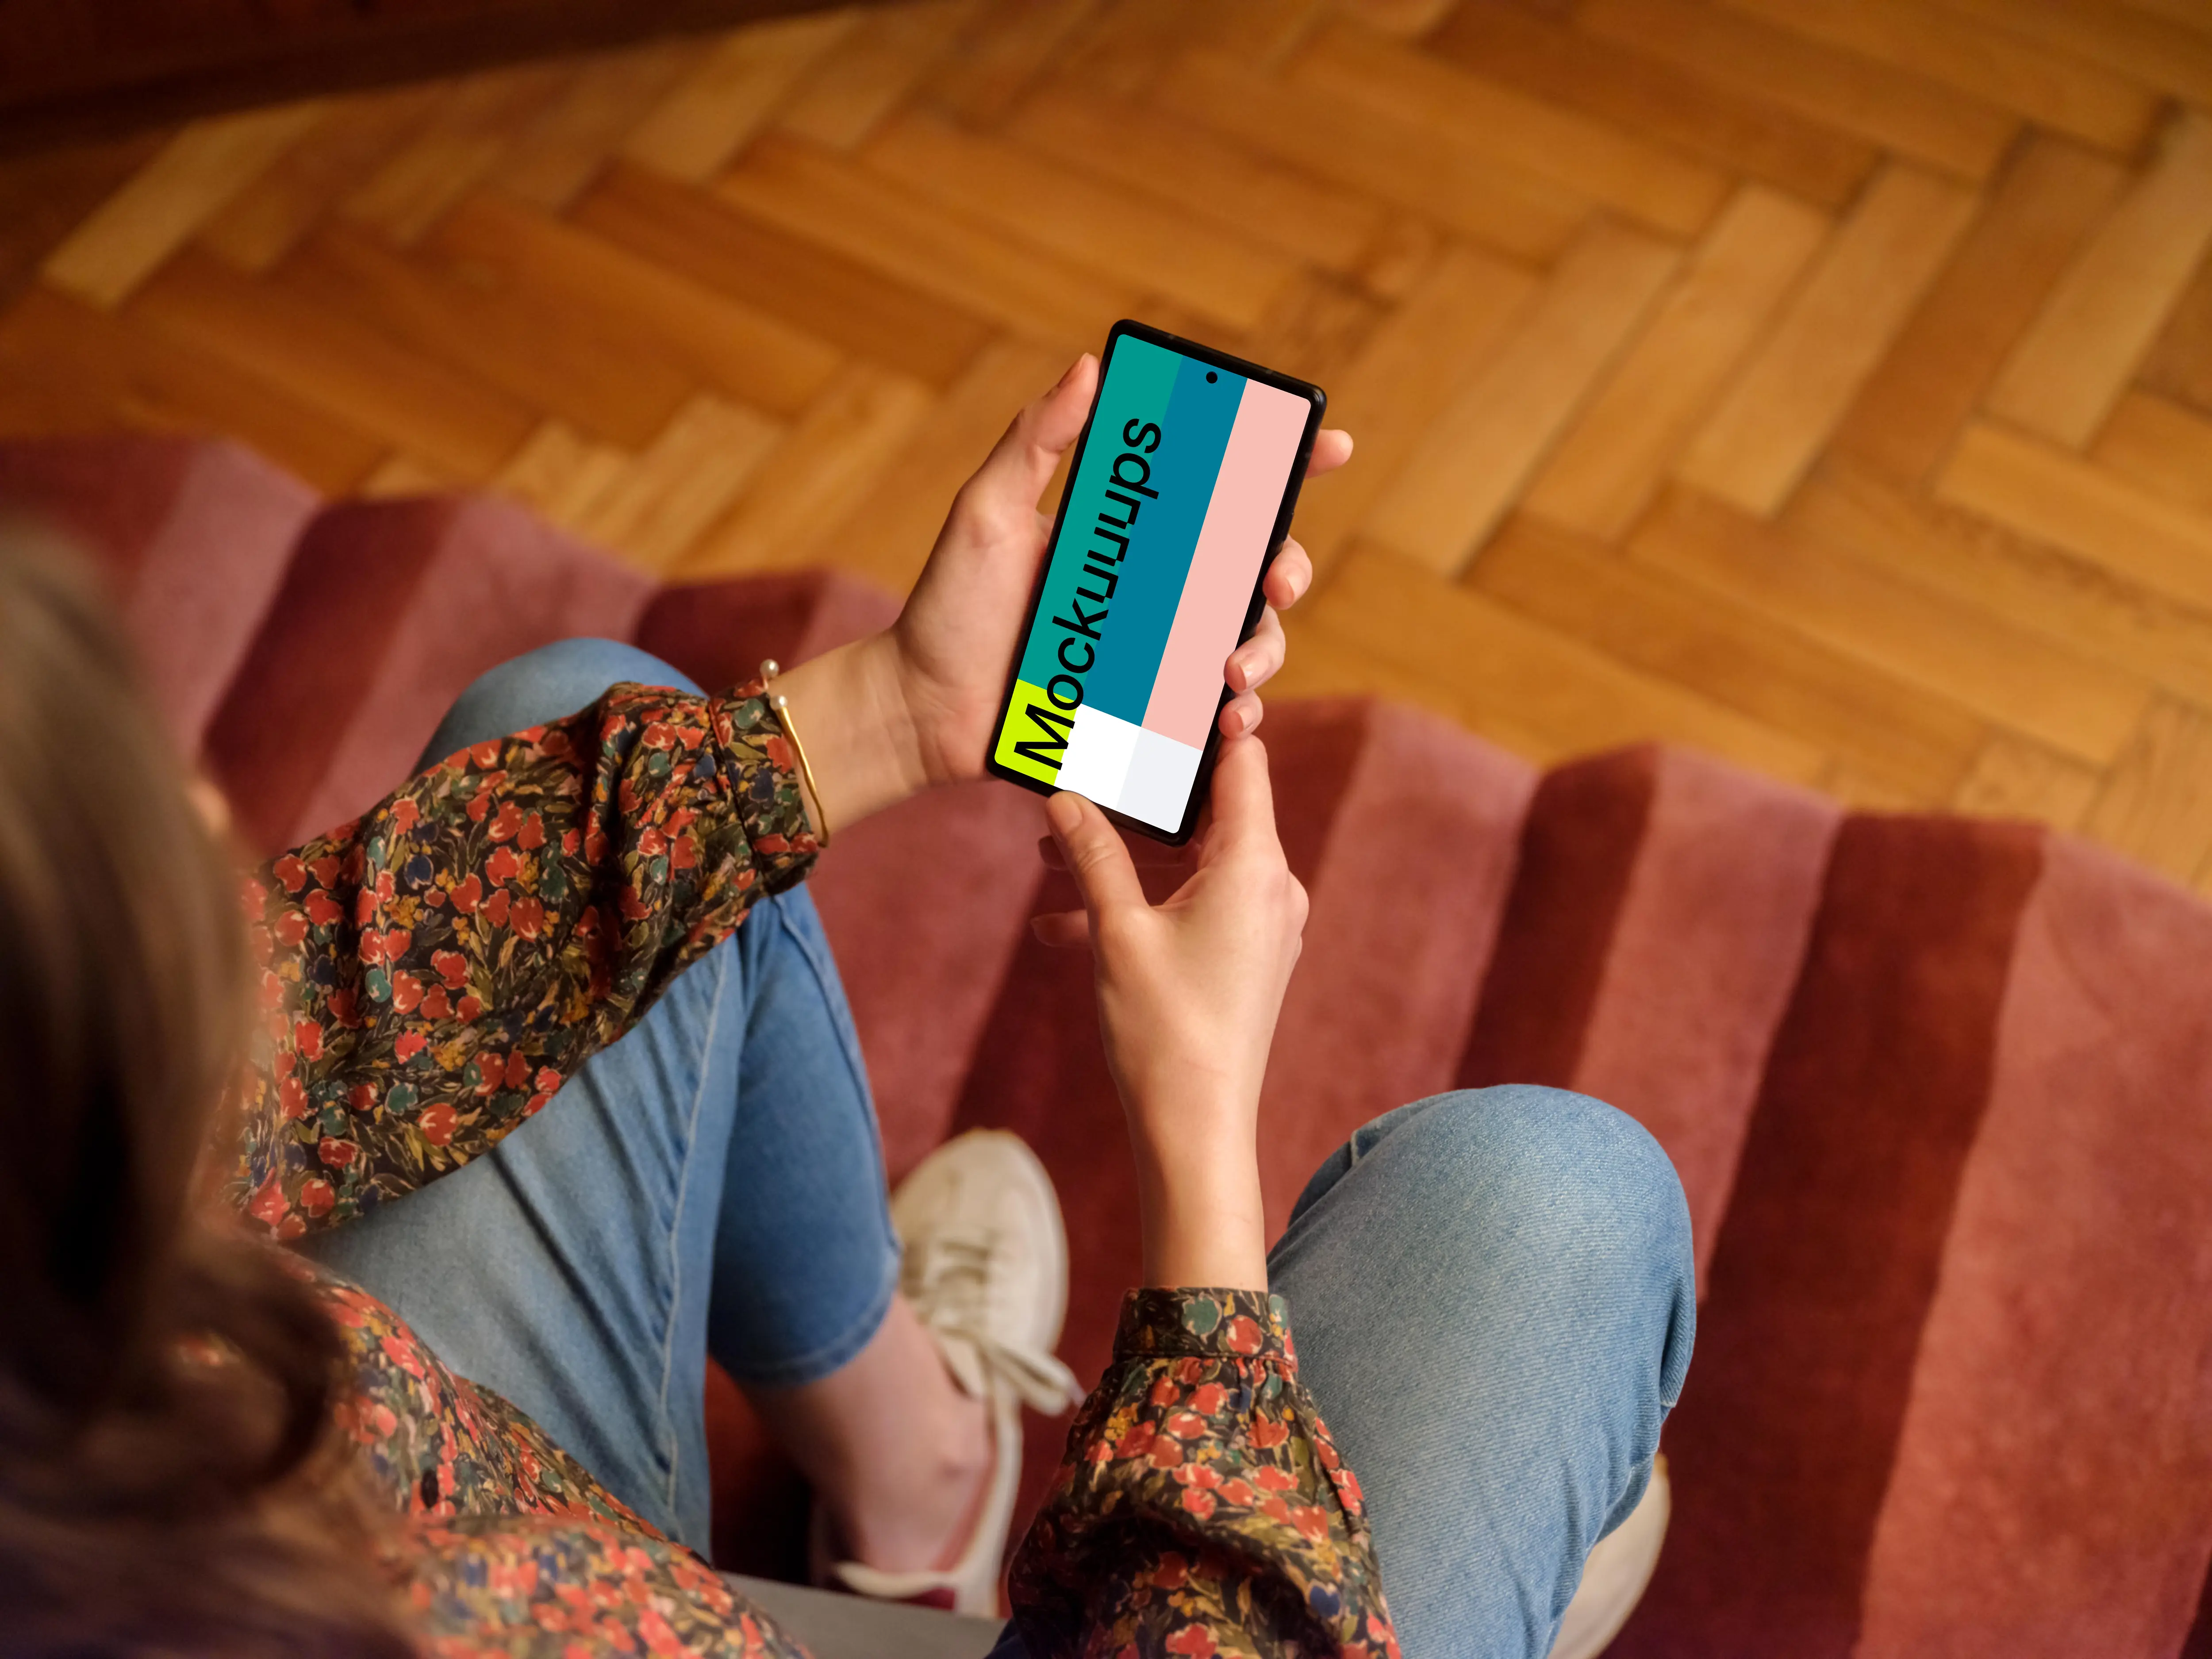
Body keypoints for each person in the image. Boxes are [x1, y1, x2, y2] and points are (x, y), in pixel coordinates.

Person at [0, 355, 1693, 1659]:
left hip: (395, 1476)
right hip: (549, 1597)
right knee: (1550, 1215)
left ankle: (916, 1481)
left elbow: (317, 1001)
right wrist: (1202, 1178)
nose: (226, 830)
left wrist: (891, 709)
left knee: (578, 707)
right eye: (173, 820)